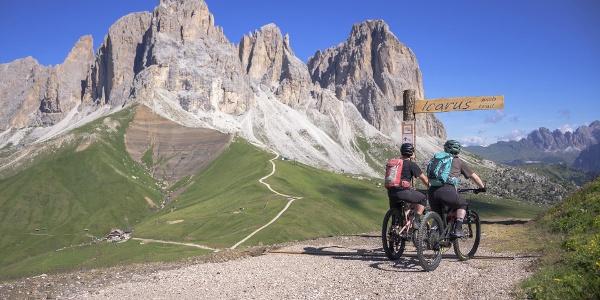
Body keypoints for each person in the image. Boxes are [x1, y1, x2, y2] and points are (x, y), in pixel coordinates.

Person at [428, 140, 486, 238]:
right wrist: (482, 187)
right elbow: (474, 177)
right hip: (447, 190)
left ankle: (432, 237)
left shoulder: (437, 159)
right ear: (458, 150)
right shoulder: (459, 162)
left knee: (439, 216)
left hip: (432, 191)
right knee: (463, 203)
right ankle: (458, 229)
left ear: (445, 148)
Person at [387, 143, 430, 225]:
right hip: (403, 192)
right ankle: (416, 221)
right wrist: (430, 186)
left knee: (396, 213)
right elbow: (424, 179)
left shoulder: (394, 164)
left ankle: (394, 229)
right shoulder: (411, 164)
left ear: (401, 152)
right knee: (423, 198)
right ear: (411, 153)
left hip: (391, 192)